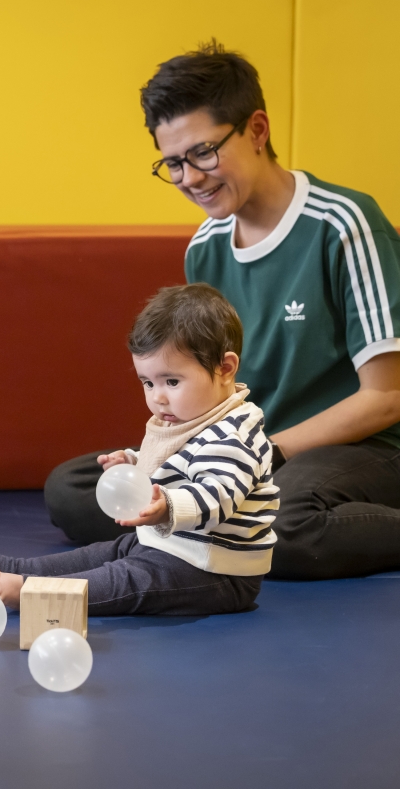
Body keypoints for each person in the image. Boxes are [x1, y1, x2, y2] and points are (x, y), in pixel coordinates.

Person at [44, 41, 400, 580]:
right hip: (248, 450)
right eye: (172, 163)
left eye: (203, 153)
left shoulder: (344, 223)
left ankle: (216, 523)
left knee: (286, 520)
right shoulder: (205, 246)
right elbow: (211, 391)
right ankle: (208, 522)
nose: (189, 177)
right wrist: (162, 462)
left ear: (257, 130)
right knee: (73, 489)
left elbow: (386, 398)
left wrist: (259, 455)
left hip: (361, 450)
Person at [0, 284, 277, 614]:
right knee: (102, 553)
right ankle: (14, 567)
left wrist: (167, 506)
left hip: (216, 570)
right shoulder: (187, 415)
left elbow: (218, 495)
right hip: (172, 546)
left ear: (225, 368)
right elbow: (177, 462)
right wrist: (132, 462)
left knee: (126, 578)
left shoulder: (233, 434)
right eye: (147, 383)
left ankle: (32, 592)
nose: (158, 397)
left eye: (172, 381)